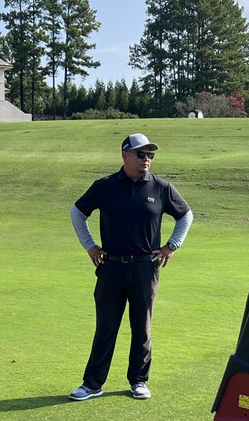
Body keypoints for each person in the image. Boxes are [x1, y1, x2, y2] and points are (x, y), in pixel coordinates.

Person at [68, 133, 193, 401]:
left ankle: (138, 380)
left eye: (150, 155)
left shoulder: (161, 188)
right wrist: (89, 245)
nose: (146, 159)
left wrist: (172, 245)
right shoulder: (105, 186)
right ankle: (92, 384)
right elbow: (77, 213)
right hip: (111, 267)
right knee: (106, 328)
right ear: (125, 154)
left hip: (145, 268)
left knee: (142, 328)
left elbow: (186, 215)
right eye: (140, 154)